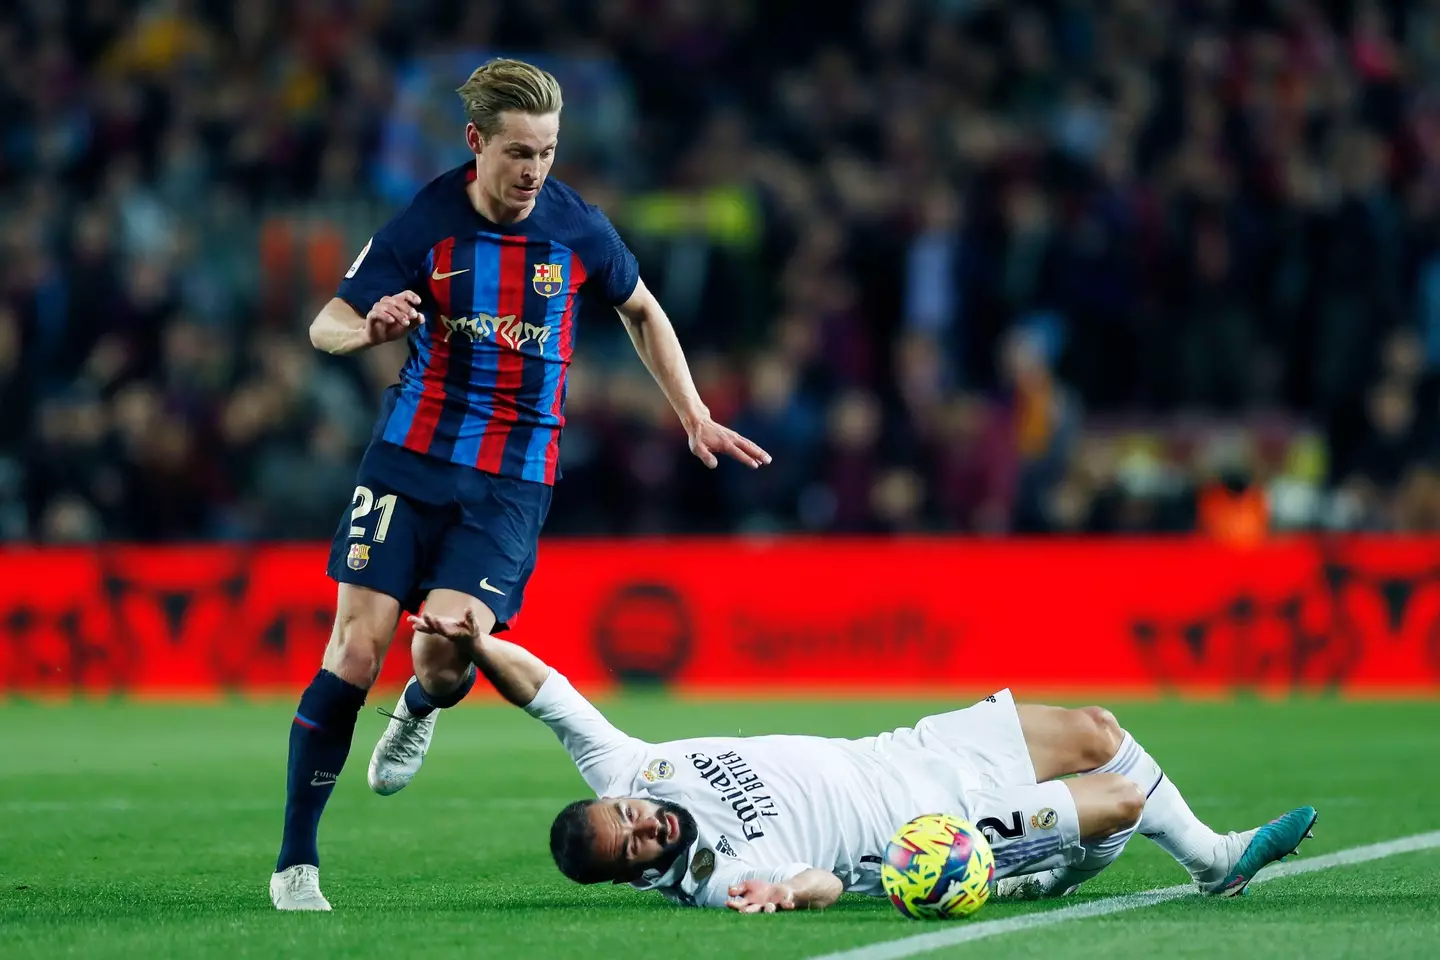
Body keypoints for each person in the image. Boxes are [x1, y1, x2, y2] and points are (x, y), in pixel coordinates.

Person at [270, 59, 771, 911]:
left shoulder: (578, 228)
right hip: (409, 462)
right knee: (356, 647)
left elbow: (642, 308)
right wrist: (368, 331)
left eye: (547, 150)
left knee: (448, 650)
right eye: (517, 152)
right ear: (475, 144)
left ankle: (423, 706)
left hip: (509, 484)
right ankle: (296, 863)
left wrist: (691, 412)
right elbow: (327, 322)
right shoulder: (423, 222)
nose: (535, 169)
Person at [409, 608, 1317, 913]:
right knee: (1117, 801)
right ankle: (1212, 863)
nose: (648, 824)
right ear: (635, 875)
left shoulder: (630, 768)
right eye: (638, 845)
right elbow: (820, 887)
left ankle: (1196, 863)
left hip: (901, 752)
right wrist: (789, 892)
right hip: (920, 831)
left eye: (630, 817)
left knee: (1094, 724)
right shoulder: (712, 874)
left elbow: (547, 693)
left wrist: (475, 641)